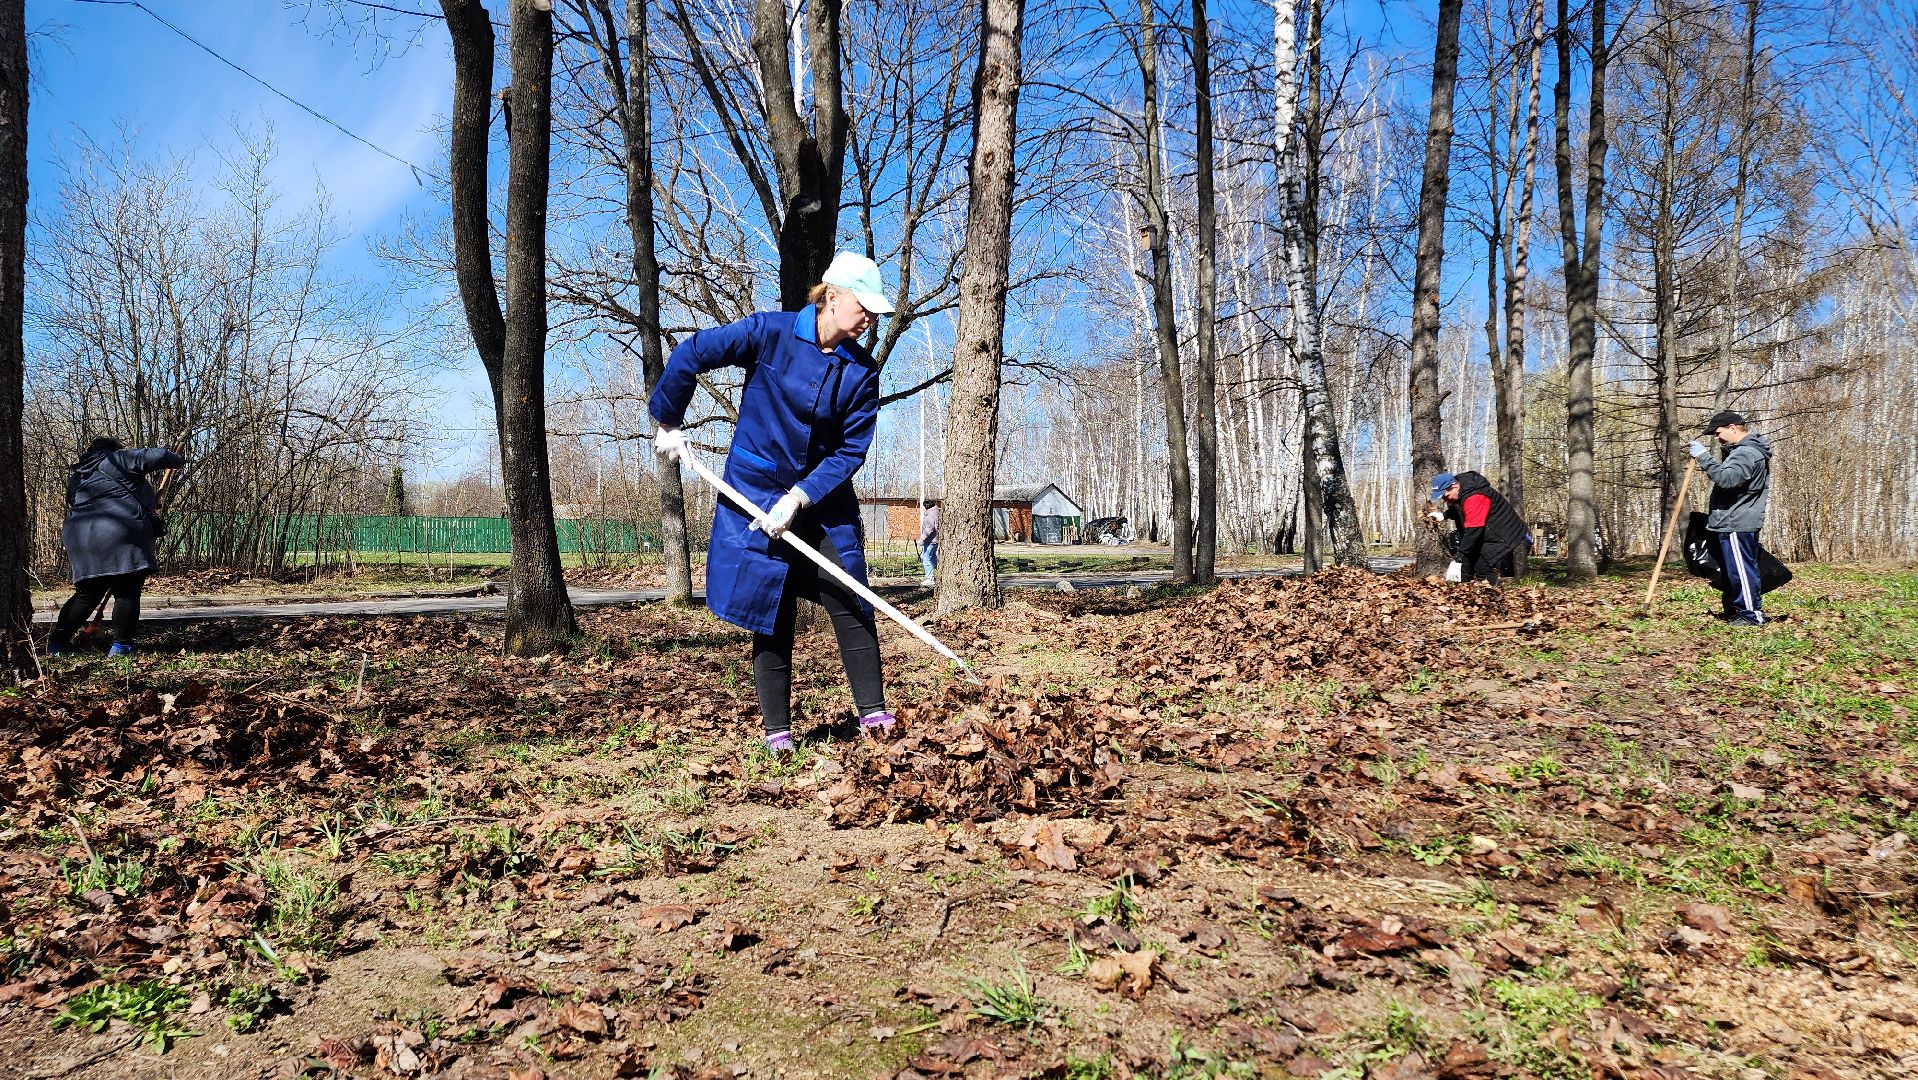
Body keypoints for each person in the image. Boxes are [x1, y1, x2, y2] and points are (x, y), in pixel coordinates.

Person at [649, 252, 896, 753]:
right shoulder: (770, 333)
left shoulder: (862, 372)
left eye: (876, 309)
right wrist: (669, 421)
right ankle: (777, 732)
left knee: (850, 596)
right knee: (771, 605)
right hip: (755, 495)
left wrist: (801, 496)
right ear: (832, 296)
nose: (871, 317)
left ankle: (873, 716)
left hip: (822, 500)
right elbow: (692, 352)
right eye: (863, 305)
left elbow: (851, 449)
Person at [49, 438, 187, 657]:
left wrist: (148, 502)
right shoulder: (119, 459)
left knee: (87, 594)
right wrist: (177, 459)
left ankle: (57, 645)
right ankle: (121, 647)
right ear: (115, 449)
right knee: (127, 591)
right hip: (120, 531)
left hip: (80, 536)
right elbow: (161, 457)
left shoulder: (78, 475)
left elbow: (86, 500)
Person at [1689, 410, 1772, 626]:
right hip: (1734, 520)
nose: (1717, 439)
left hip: (1737, 521)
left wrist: (1703, 457)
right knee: (1736, 570)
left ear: (1733, 428)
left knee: (1741, 571)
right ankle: (1738, 610)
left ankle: (1751, 615)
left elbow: (1727, 479)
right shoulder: (1744, 451)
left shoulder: (1746, 453)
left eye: (1718, 433)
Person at [1431, 470, 1528, 586]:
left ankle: (1493, 593)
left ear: (1454, 487)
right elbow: (1459, 508)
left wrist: (1458, 559)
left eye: (1445, 496)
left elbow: (1473, 531)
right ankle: (1463, 590)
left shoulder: (1476, 497)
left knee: (1480, 564)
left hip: (1505, 535)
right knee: (1470, 560)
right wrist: (1444, 515)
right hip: (1487, 533)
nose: (1445, 500)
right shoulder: (1463, 492)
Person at [918, 501, 940, 588]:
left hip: (930, 540)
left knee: (926, 558)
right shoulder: (936, 512)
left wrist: (923, 538)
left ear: (926, 506)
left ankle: (929, 578)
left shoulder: (930, 515)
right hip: (936, 540)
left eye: (923, 507)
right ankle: (939, 572)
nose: (922, 508)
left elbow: (929, 529)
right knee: (933, 557)